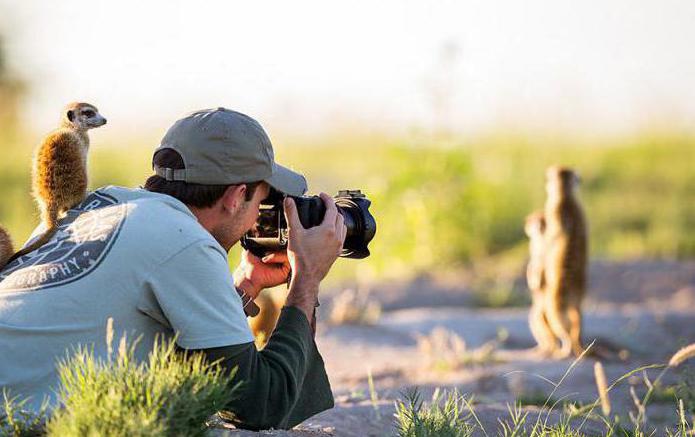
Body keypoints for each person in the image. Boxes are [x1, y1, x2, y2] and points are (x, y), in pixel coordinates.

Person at [0, 107, 345, 430]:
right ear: (236, 196)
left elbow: (160, 338)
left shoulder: (99, 204)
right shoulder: (187, 240)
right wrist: (307, 279)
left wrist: (244, 285)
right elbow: (261, 404)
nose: (258, 217)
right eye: (261, 201)